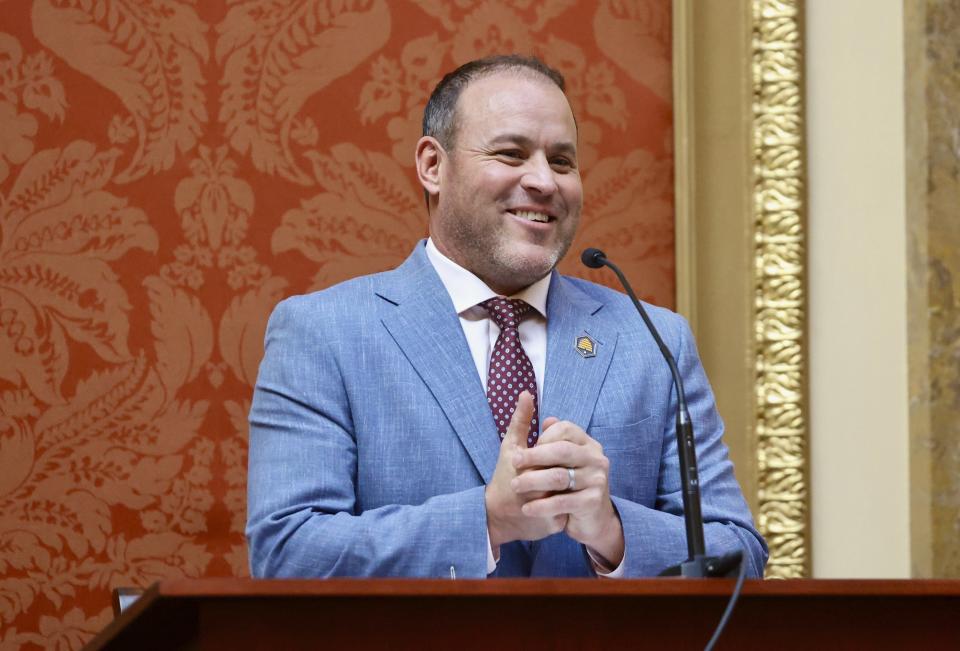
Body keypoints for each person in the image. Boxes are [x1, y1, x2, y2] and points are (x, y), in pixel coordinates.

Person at [246, 55, 767, 578]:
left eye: (562, 162)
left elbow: (739, 554)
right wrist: (487, 521)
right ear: (433, 166)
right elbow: (288, 552)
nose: (544, 181)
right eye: (511, 153)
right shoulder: (324, 333)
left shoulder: (654, 341)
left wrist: (610, 528)